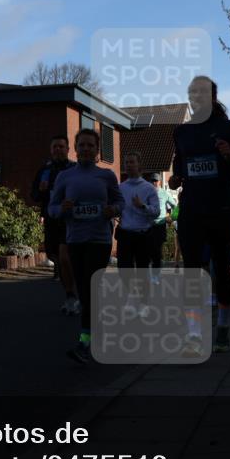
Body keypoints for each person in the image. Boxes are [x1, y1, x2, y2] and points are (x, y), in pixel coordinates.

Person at [168, 75, 230, 352]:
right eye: (192, 94)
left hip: (220, 210)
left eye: (201, 94)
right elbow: (179, 166)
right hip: (191, 211)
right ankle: (194, 334)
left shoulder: (229, 128)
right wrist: (174, 179)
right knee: (191, 272)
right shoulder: (181, 132)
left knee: (222, 272)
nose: (196, 98)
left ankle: (223, 326)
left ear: (213, 98)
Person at [48, 128, 123, 363]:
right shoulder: (65, 177)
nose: (86, 149)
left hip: (100, 240)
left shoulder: (106, 176)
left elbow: (120, 201)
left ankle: (84, 343)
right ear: (76, 148)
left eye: (91, 145)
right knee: (84, 290)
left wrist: (113, 209)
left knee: (91, 288)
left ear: (97, 149)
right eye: (82, 145)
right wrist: (62, 209)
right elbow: (52, 208)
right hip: (75, 239)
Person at [31, 135, 78, 315]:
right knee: (54, 254)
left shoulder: (74, 169)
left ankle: (72, 295)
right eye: (55, 147)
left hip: (69, 219)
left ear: (68, 149)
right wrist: (40, 191)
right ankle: (70, 293)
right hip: (51, 218)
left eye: (61, 146)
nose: (58, 149)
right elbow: (34, 195)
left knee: (65, 257)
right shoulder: (45, 170)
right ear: (51, 150)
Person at [116, 152, 159, 271]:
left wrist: (143, 206)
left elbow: (157, 212)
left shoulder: (149, 188)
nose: (128, 165)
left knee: (142, 272)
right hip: (125, 235)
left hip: (143, 236)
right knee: (124, 271)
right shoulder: (120, 188)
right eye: (126, 162)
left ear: (139, 164)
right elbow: (117, 209)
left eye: (132, 162)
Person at [148, 173, 177, 279]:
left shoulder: (164, 193)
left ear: (160, 182)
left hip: (160, 225)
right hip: (148, 226)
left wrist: (172, 217)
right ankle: (149, 274)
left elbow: (175, 206)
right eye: (152, 181)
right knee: (148, 250)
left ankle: (156, 276)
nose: (154, 183)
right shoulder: (146, 192)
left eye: (156, 181)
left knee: (157, 251)